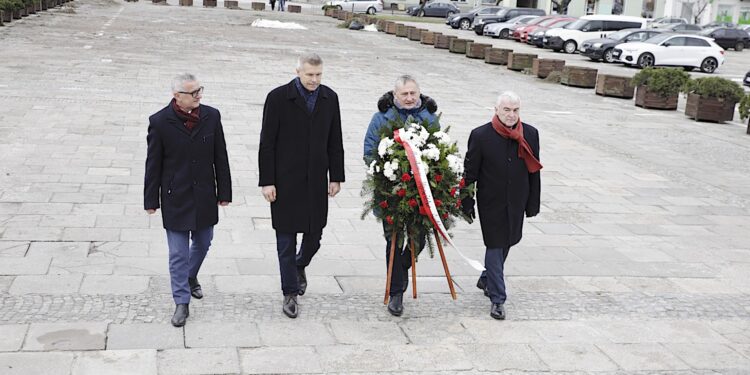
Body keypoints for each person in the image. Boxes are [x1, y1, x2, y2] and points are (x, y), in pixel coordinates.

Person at [259, 53, 345, 319]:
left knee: (315, 235)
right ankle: (290, 293)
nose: (314, 80)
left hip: (316, 180)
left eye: (319, 75)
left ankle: (300, 264)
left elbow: (335, 140)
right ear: (298, 71)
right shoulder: (277, 98)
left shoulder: (330, 98)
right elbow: (267, 143)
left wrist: (336, 176)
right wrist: (267, 181)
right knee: (285, 241)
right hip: (285, 181)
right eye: (309, 74)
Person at [144, 73, 232, 327]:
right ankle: (181, 301)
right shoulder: (160, 122)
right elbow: (153, 164)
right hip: (176, 197)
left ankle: (190, 276)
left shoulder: (211, 116)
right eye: (193, 93)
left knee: (204, 242)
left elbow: (221, 155)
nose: (199, 96)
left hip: (204, 194)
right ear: (177, 96)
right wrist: (151, 199)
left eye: (200, 90)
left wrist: (224, 191)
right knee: (178, 254)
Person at [363, 75, 438, 317]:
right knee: (393, 240)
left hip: (421, 191)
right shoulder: (381, 118)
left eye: (412, 93)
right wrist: (387, 171)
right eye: (404, 94)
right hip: (391, 191)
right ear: (395, 96)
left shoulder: (429, 118)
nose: (408, 98)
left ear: (419, 94)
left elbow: (441, 149)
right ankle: (396, 293)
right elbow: (369, 150)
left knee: (419, 238)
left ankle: (403, 267)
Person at [462, 91, 541, 320]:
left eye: (515, 110)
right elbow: (470, 173)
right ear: (496, 109)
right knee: (495, 247)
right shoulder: (480, 135)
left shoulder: (531, 134)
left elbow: (534, 171)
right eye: (506, 109)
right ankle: (498, 298)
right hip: (491, 203)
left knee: (509, 242)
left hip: (517, 200)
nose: (511, 114)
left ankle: (486, 278)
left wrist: (532, 203)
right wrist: (467, 201)